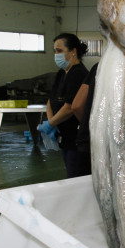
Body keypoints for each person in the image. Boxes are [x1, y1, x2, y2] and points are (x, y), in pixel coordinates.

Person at [40, 33, 89, 178]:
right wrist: (51, 122)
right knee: (70, 172)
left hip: (76, 138)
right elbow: (51, 99)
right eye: (55, 51)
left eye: (59, 51)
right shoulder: (62, 73)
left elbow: (71, 107)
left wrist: (51, 123)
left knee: (76, 177)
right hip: (64, 137)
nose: (56, 55)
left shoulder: (79, 74)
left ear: (73, 51)